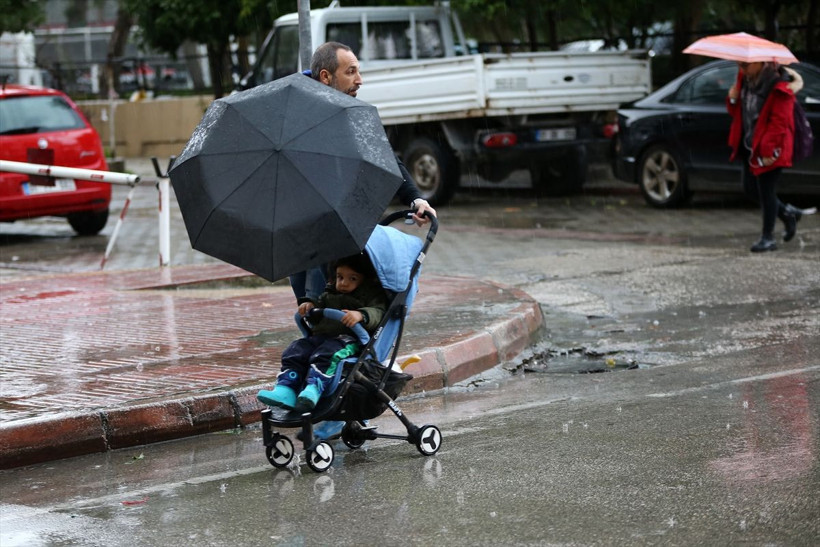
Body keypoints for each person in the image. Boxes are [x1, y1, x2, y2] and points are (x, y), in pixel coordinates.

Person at [290, 41, 438, 302]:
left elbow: (386, 161)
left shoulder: (354, 115)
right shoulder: (293, 114)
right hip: (302, 234)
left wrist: (416, 199)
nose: (359, 80)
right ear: (326, 77)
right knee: (310, 306)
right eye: (350, 72)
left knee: (333, 305)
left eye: (358, 71)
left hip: (341, 233)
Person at [258, 252, 388, 411]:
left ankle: (314, 387)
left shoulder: (369, 295)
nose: (344, 283)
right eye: (340, 277)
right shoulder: (329, 294)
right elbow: (317, 313)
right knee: (296, 350)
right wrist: (310, 306)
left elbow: (378, 312)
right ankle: (286, 389)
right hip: (323, 336)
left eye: (352, 278)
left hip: (349, 340)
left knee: (327, 354)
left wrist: (361, 315)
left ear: (364, 279)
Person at [727, 61, 803, 253]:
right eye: (740, 64)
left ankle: (768, 238)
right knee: (750, 189)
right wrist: (733, 98)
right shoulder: (745, 79)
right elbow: (736, 111)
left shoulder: (779, 85)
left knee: (766, 190)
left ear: (761, 62)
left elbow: (780, 121)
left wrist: (768, 150)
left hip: (771, 146)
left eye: (746, 64)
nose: (741, 68)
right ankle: (787, 213)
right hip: (749, 142)